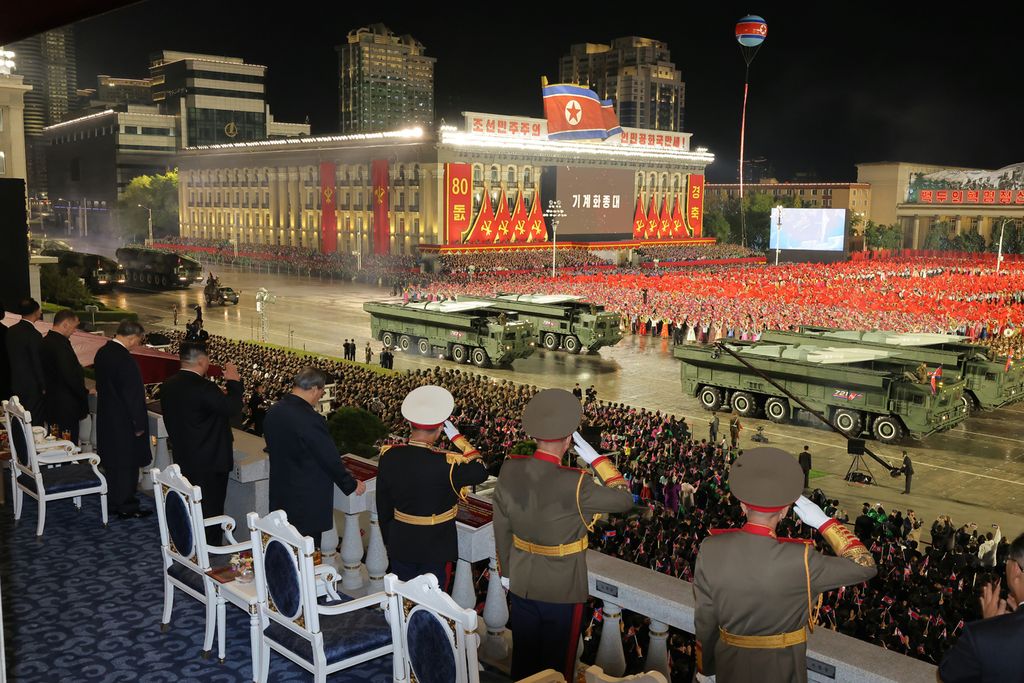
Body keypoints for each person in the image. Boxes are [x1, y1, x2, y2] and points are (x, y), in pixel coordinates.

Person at [693, 447, 877, 683]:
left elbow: (705, 620)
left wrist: (707, 667)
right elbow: (865, 565)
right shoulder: (802, 558)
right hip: (784, 670)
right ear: (785, 511)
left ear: (742, 506)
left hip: (730, 666)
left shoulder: (711, 548)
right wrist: (824, 522)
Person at [493, 389, 634, 681]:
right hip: (562, 589)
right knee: (557, 669)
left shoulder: (510, 469)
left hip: (521, 581)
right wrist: (598, 461)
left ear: (535, 436)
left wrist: (507, 571)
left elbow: (501, 527)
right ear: (570, 441)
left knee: (524, 665)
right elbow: (624, 499)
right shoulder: (578, 483)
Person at [375, 385, 488, 589]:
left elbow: (383, 504)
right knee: (432, 603)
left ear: (410, 425)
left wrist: (390, 538)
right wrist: (459, 440)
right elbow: (480, 471)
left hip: (401, 540)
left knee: (403, 597)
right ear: (439, 431)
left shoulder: (389, 455)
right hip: (436, 544)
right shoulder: (447, 464)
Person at [263, 367, 365, 544]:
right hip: (306, 499)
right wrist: (351, 484)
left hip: (281, 492)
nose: (321, 396)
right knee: (307, 553)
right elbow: (328, 458)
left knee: (285, 549)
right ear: (314, 389)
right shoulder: (310, 419)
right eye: (322, 391)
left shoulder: (275, 411)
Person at [159, 342, 243, 545]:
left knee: (191, 506)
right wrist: (233, 381)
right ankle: (210, 551)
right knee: (211, 509)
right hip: (210, 461)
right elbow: (232, 408)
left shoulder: (168, 384)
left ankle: (191, 544)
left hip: (184, 455)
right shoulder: (204, 387)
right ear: (202, 360)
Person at [938, 533, 1024, 682]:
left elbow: (946, 676)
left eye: (1009, 559)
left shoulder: (983, 636)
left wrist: (993, 627)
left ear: (1016, 568)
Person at [94, 320, 152, 519]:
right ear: (132, 337)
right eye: (139, 340)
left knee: (113, 463)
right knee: (127, 464)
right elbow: (133, 396)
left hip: (107, 418)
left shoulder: (102, 353)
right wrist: (138, 424)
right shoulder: (125, 360)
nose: (138, 344)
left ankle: (115, 501)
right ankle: (127, 505)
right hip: (124, 422)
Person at [40, 309, 89, 443]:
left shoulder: (45, 341)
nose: (74, 331)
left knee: (54, 441)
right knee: (67, 444)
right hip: (65, 407)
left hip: (51, 404)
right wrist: (84, 393)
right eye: (74, 327)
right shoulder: (60, 345)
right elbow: (70, 375)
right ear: (66, 324)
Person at [7, 298, 46, 420]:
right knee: (33, 420)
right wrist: (43, 386)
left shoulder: (10, 331)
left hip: (15, 383)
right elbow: (37, 362)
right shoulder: (34, 335)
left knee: (19, 418)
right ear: (36, 312)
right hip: (32, 387)